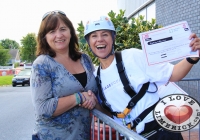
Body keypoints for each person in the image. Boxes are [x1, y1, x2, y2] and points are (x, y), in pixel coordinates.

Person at [83, 16, 200, 140]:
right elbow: (109, 113)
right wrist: (93, 102)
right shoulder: (97, 77)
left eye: (105, 34)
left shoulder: (133, 56)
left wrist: (192, 58)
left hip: (160, 131)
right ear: (89, 42)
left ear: (113, 37)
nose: (100, 39)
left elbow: (173, 74)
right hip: (130, 136)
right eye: (94, 36)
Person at [30, 10, 97, 140]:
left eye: (63, 29)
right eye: (52, 31)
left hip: (83, 135)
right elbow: (42, 109)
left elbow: (94, 92)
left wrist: (92, 99)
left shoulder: (85, 59)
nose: (59, 35)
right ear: (44, 37)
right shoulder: (42, 64)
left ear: (71, 32)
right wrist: (79, 97)